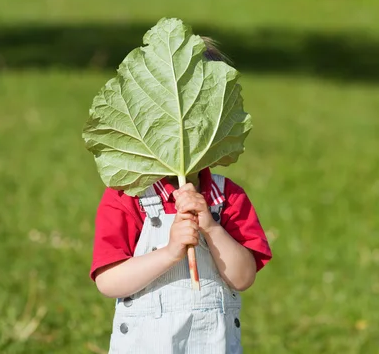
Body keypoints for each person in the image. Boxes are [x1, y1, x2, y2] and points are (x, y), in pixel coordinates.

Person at [89, 39, 272, 354]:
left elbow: (243, 277)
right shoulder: (127, 196)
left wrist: (213, 230)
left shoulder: (226, 196)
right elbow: (109, 281)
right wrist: (170, 252)